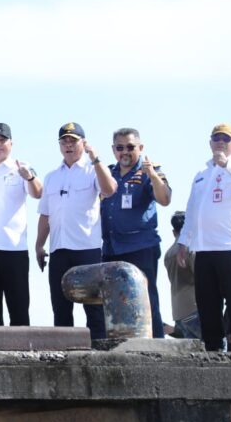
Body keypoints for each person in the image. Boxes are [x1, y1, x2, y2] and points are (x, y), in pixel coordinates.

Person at [35, 122, 117, 340]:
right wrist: (39, 245)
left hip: (86, 250)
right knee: (60, 308)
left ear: (83, 142)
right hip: (59, 249)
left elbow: (109, 190)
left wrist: (95, 158)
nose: (68, 145)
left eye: (73, 141)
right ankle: (64, 353)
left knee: (94, 309)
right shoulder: (52, 176)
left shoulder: (93, 170)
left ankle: (100, 351)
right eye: (64, 141)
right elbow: (45, 214)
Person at [178, 123, 231, 351]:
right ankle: (213, 348)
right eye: (216, 138)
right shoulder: (201, 175)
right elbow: (192, 211)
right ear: (210, 143)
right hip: (204, 249)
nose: (220, 142)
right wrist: (183, 242)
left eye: (226, 139)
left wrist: (227, 164)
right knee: (208, 303)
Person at [100, 128, 171, 338]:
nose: (125, 152)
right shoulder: (109, 174)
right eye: (120, 147)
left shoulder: (150, 171)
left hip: (140, 247)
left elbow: (165, 199)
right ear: (114, 150)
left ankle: (156, 345)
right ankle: (119, 344)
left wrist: (154, 177)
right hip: (112, 248)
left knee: (146, 299)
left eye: (130, 147)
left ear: (140, 148)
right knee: (114, 301)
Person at [0, 123, 42, 326]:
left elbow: (38, 193)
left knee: (19, 308)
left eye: (2, 140)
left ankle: (23, 355)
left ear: (11, 143)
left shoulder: (21, 166)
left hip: (13, 249)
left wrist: (29, 177)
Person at [164, 211, 200, 339]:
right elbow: (202, 278)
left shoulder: (168, 255)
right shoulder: (191, 249)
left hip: (179, 311)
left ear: (174, 232)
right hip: (195, 308)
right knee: (216, 347)